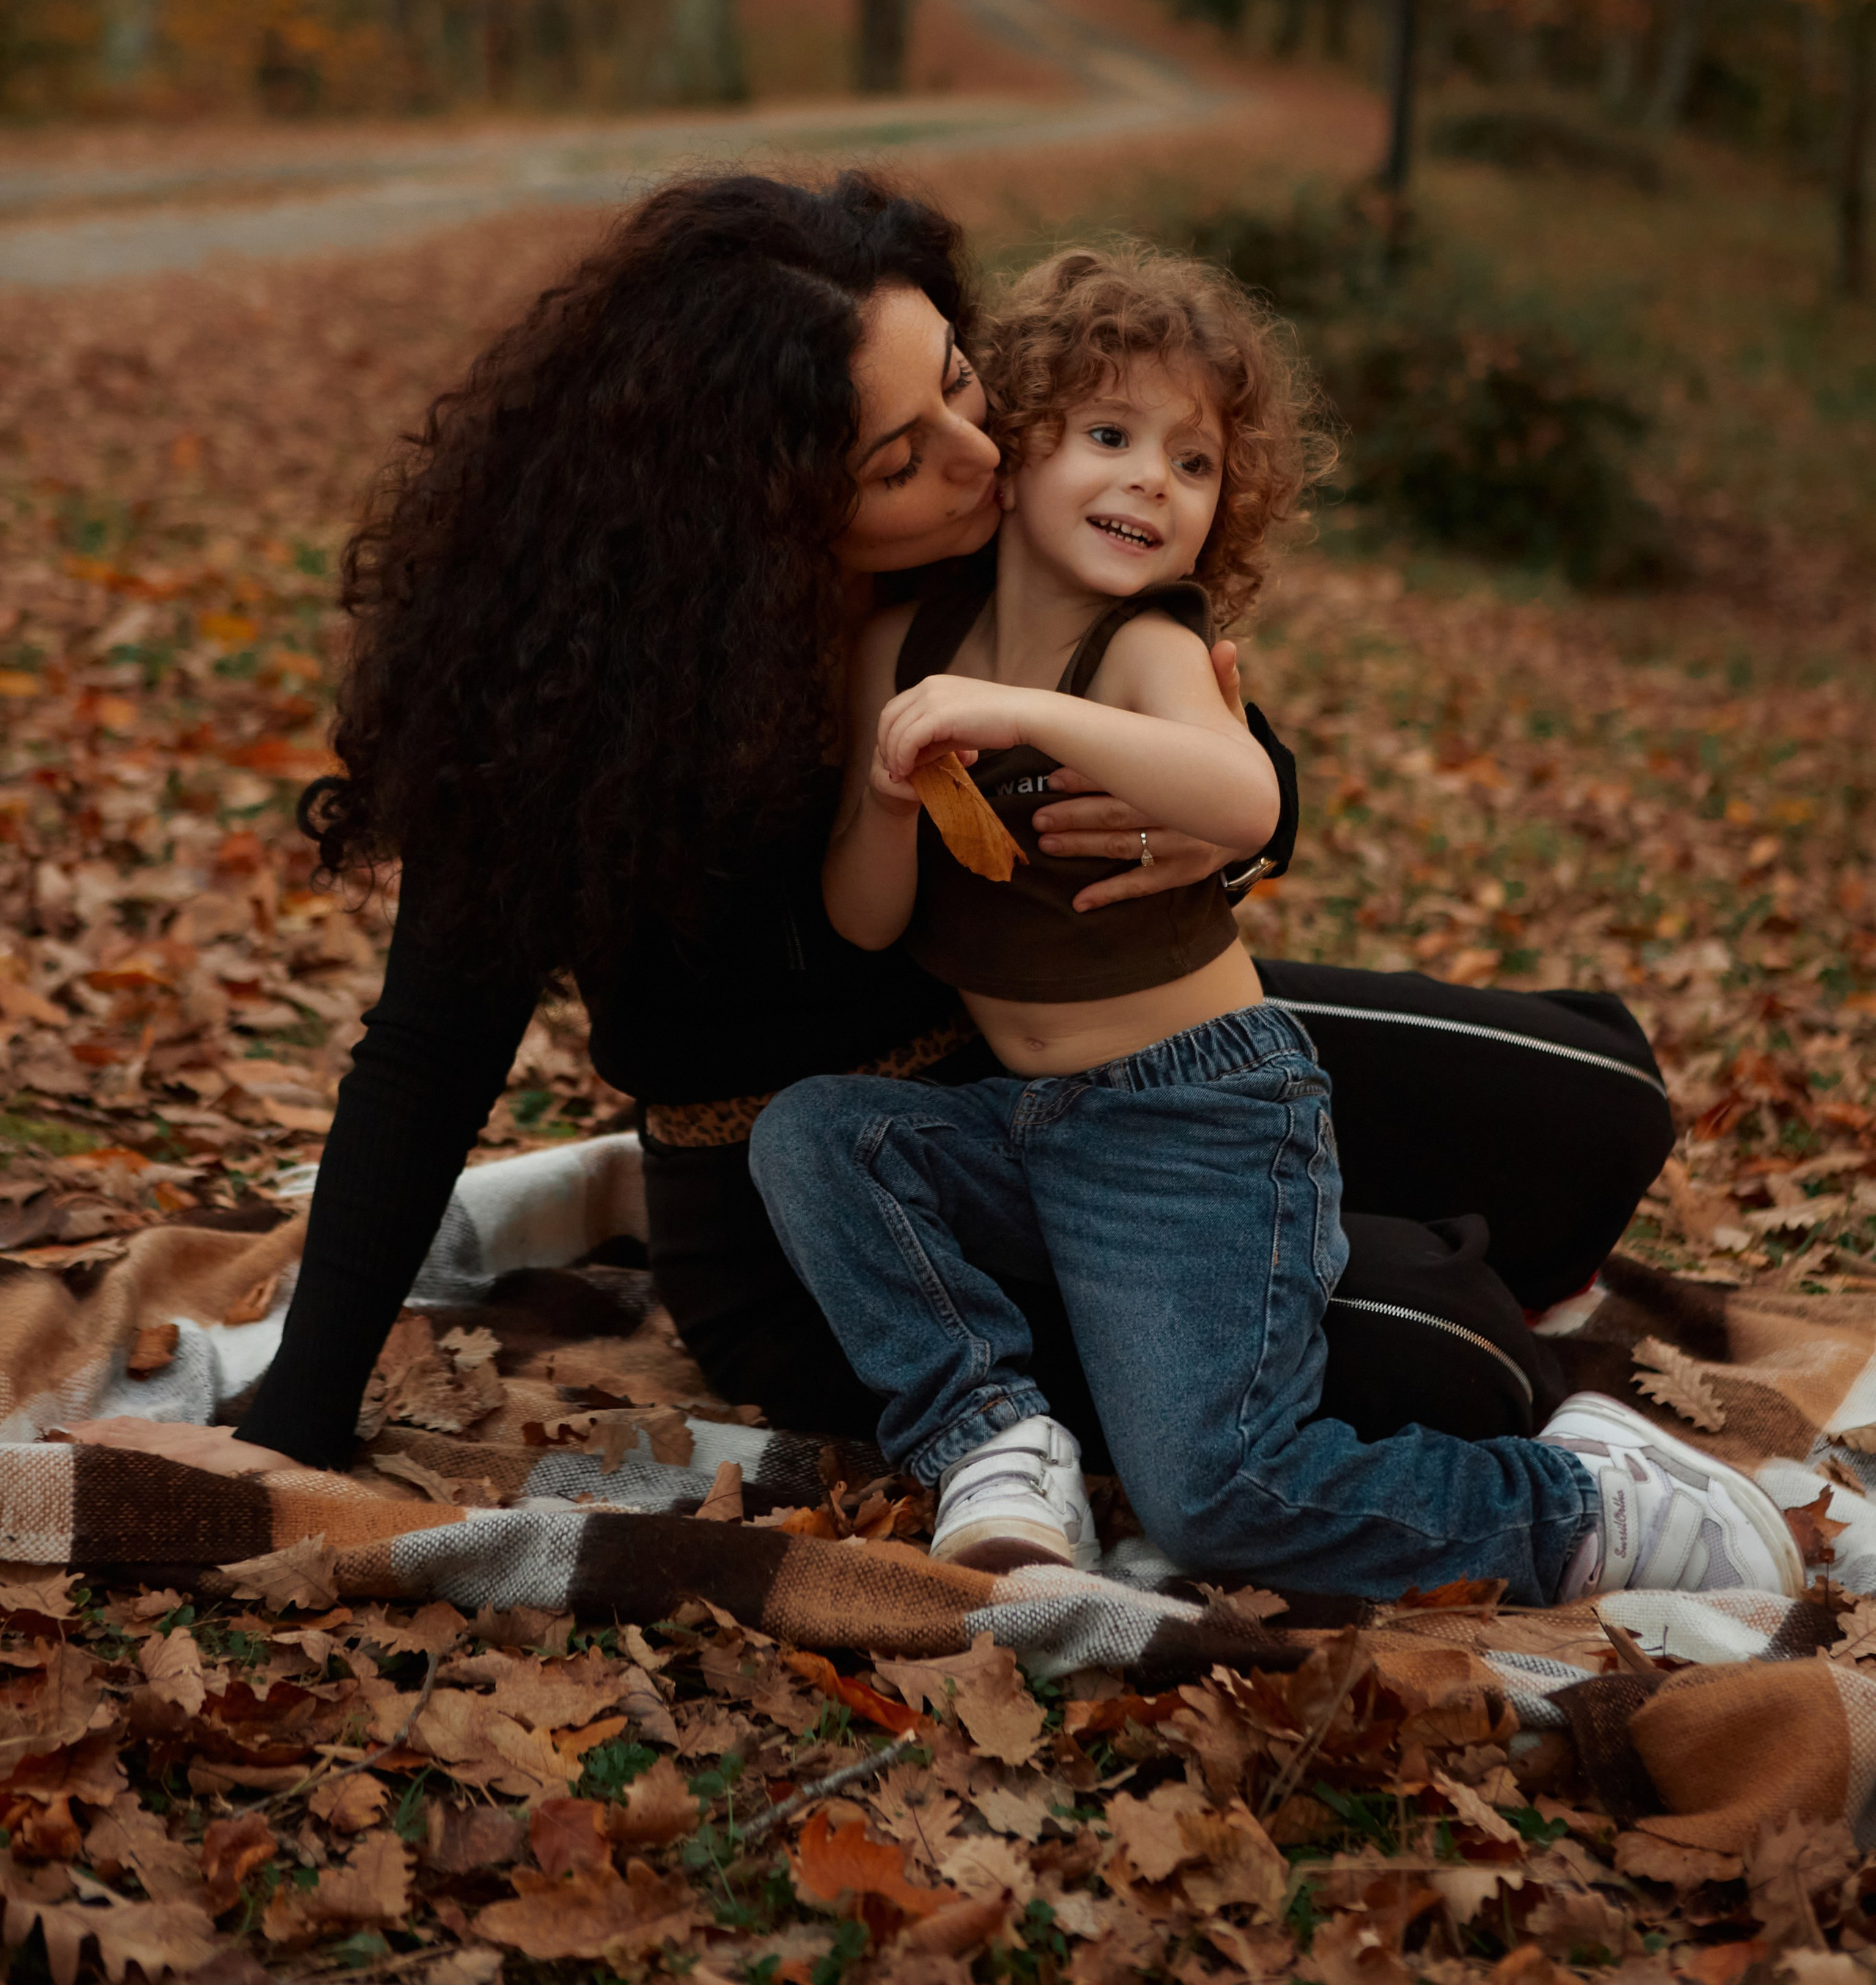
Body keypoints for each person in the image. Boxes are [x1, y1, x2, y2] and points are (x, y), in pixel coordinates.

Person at [70, 173, 1672, 1488]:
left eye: (962, 385)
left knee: (1596, 1106)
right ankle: (1374, 1260)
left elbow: (1177, 700)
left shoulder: (961, 546)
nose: (984, 459)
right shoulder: (571, 716)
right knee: (1456, 1355)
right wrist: (297, 1406)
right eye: (901, 456)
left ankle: (1353, 1229)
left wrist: (1251, 817)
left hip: (1066, 1037)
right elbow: (424, 1058)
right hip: (814, 1198)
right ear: (758, 512)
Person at [747, 248, 1801, 1604]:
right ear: (1011, 447)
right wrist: (891, 800)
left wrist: (1025, 719)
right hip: (1020, 1125)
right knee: (817, 1136)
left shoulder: (1143, 651)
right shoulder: (897, 646)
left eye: (1194, 465)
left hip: (1203, 1126)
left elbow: (1242, 799)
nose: (1151, 481)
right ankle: (993, 1438)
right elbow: (864, 916)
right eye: (1111, 436)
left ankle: (1584, 1505)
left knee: (1224, 1500)